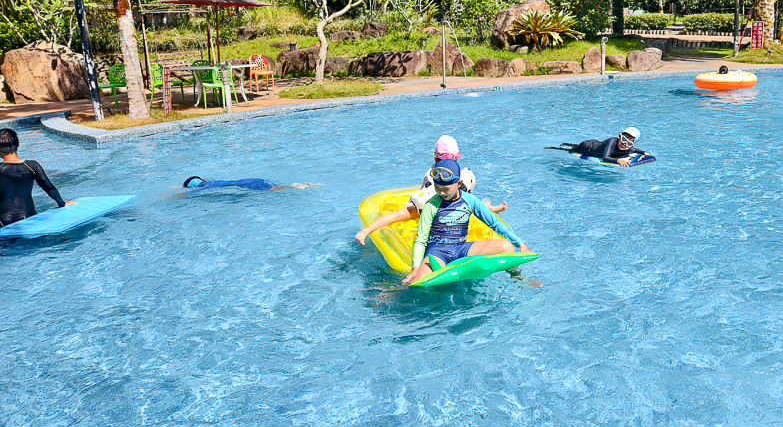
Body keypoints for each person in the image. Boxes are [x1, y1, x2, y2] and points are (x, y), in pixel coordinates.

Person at [355, 135, 506, 246]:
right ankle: (366, 231)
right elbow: (423, 188)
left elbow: (463, 197)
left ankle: (491, 207)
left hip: (445, 207)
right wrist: (411, 204)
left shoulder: (448, 173)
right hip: (427, 207)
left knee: (471, 205)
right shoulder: (433, 173)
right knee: (401, 214)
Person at [403, 159, 530, 286]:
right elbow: (421, 239)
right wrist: (416, 268)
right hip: (437, 253)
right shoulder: (431, 205)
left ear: (459, 183)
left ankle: (517, 278)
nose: (441, 192)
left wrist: (520, 243)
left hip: (461, 248)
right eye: (437, 187)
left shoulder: (470, 200)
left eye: (446, 189)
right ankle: (393, 295)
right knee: (419, 282)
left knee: (506, 247)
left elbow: (494, 223)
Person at [0, 128, 77, 227]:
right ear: (17, 145)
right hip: (29, 217)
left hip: (3, 222)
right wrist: (62, 203)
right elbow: (49, 188)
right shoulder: (32, 166)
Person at [550, 127, 645, 168]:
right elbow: (605, 157)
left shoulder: (627, 148)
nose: (624, 144)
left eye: (629, 143)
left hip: (596, 143)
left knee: (575, 146)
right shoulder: (612, 141)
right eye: (623, 140)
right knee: (571, 150)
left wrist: (643, 152)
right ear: (619, 136)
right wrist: (618, 161)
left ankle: (568, 143)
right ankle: (554, 147)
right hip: (588, 147)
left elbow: (633, 150)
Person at [180, 176, 320, 192]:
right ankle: (300, 184)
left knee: (272, 190)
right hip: (248, 180)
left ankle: (298, 185)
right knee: (272, 187)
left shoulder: (206, 187)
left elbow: (183, 194)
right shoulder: (211, 182)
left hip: (245, 186)